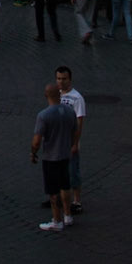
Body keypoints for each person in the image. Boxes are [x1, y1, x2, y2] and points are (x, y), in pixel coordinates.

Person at [31, 81, 76, 233]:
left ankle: (57, 220)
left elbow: (37, 141)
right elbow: (74, 132)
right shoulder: (70, 112)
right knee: (65, 185)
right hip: (65, 154)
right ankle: (68, 215)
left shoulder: (43, 115)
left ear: (46, 96)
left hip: (51, 157)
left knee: (53, 190)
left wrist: (33, 152)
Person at [54, 64, 85, 213]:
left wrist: (75, 143)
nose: (61, 82)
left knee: (73, 172)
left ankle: (77, 201)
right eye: (59, 79)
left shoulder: (77, 98)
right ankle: (58, 197)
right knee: (58, 170)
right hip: (57, 142)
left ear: (70, 79)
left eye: (64, 79)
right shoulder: (56, 95)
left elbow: (79, 122)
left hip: (70, 141)